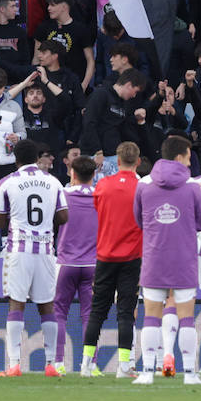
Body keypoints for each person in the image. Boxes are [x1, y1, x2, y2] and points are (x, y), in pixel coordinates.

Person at [128, 135, 201, 385]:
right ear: (181, 156)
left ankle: (147, 372)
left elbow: (139, 220)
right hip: (184, 259)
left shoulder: (143, 185)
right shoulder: (193, 186)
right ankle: (190, 374)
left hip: (154, 257)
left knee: (150, 316)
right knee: (186, 317)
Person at [0, 138, 67, 376]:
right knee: (47, 306)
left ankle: (14, 364)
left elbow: (0, 219)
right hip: (45, 250)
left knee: (17, 304)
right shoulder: (53, 181)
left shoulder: (7, 182)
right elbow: (64, 216)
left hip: (19, 251)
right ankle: (51, 364)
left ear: (15, 159)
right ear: (37, 158)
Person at [80, 140, 143, 377]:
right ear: (137, 161)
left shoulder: (103, 185)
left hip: (105, 255)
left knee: (97, 310)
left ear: (117, 161)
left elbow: (99, 210)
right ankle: (123, 366)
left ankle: (86, 363)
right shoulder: (142, 187)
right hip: (132, 257)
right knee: (126, 312)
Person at [51, 154, 97, 373]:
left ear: (72, 173)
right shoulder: (101, 196)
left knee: (59, 312)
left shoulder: (62, 193)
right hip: (94, 264)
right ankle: (90, 364)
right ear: (94, 175)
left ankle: (58, 363)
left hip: (66, 262)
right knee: (90, 314)